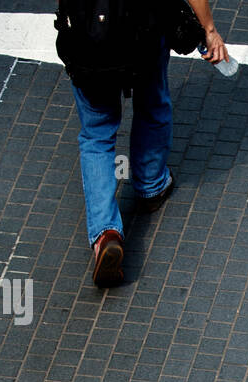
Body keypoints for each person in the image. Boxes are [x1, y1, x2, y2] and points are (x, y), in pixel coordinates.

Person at [63, 1, 230, 287]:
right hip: (143, 31)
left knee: (97, 134)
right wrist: (209, 30)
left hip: (88, 36)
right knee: (152, 106)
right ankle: (151, 186)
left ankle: (106, 233)